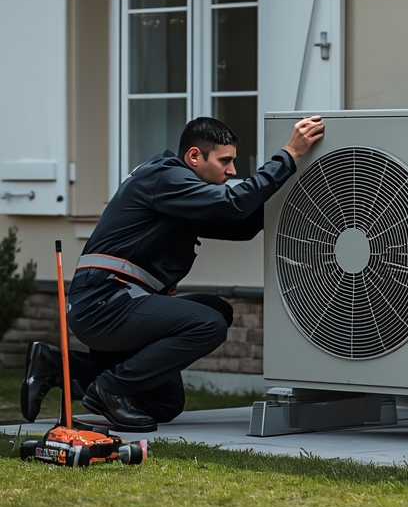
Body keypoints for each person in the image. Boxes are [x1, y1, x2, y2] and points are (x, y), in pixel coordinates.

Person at [21, 115, 324, 431]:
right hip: (103, 304)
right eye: (225, 161)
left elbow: (242, 223)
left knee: (164, 403)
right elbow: (235, 203)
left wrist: (298, 196)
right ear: (195, 156)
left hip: (119, 304)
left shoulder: (179, 192)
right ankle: (109, 390)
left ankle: (57, 366)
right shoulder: (166, 178)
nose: (232, 171)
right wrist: (289, 155)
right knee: (209, 324)